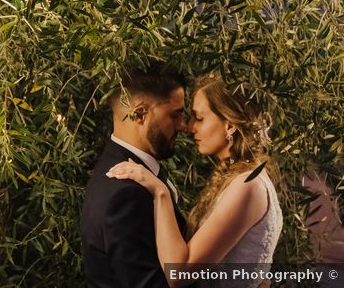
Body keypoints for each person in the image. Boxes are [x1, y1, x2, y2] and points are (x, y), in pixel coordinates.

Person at [108, 72, 282, 287]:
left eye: (199, 118)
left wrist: (159, 192)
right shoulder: (240, 178)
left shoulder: (247, 186)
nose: (189, 127)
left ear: (229, 126)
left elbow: (179, 274)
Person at [82, 66, 190, 287]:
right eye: (175, 114)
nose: (183, 126)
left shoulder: (129, 169)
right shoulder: (125, 193)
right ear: (139, 114)